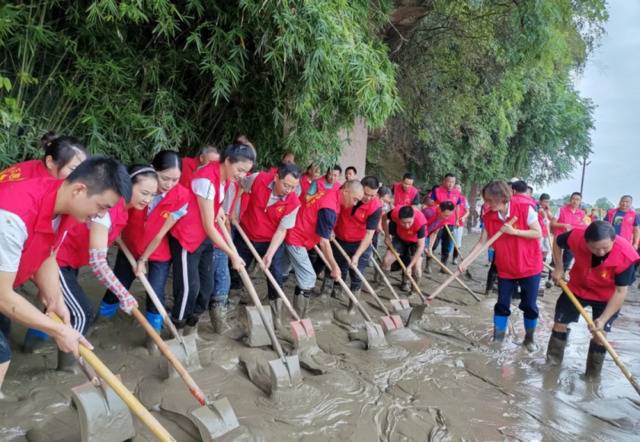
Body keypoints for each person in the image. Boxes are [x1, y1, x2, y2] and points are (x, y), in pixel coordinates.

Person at [0, 156, 131, 399]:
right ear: (80, 190)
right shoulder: (12, 214)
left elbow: (48, 254)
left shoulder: (63, 207)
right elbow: (3, 297)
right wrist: (57, 330)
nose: (99, 216)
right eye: (101, 207)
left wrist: (55, 299)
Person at [50, 165, 157, 367]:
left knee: (55, 305)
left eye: (152, 195)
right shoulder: (108, 209)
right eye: (144, 192)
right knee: (82, 312)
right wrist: (123, 293)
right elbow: (98, 262)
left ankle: (34, 342)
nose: (148, 199)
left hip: (71, 259)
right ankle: (67, 366)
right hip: (57, 259)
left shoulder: (124, 211)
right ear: (127, 186)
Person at [102, 152, 190, 342]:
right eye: (164, 178)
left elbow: (160, 234)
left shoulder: (181, 196)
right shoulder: (135, 188)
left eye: (175, 180)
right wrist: (116, 235)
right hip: (129, 244)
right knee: (118, 283)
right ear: (152, 170)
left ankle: (153, 336)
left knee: (156, 292)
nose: (169, 184)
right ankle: (104, 319)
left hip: (158, 250)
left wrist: (143, 260)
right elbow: (119, 215)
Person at [169, 143, 254, 333]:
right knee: (188, 289)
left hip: (204, 239)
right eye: (239, 170)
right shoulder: (206, 179)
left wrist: (219, 210)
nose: (241, 175)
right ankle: (177, 330)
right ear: (227, 161)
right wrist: (233, 254)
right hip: (187, 239)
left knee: (206, 290)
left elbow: (211, 206)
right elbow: (208, 225)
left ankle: (191, 327)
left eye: (245, 172)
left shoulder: (224, 178)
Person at [547, 221, 639, 378]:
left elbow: (620, 291)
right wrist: (559, 267)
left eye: (605, 248)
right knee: (559, 324)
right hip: (577, 287)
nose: (601, 252)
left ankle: (592, 377)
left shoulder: (626, 255)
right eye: (595, 248)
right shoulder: (576, 236)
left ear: (613, 240)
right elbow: (557, 242)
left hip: (606, 296)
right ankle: (551, 367)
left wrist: (602, 319)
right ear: (586, 241)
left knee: (600, 334)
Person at [460, 181, 542, 350]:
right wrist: (466, 262)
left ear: (503, 198)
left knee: (530, 306)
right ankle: (497, 339)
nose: (486, 204)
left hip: (529, 266)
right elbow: (482, 243)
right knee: (502, 304)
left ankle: (529, 339)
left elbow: (537, 232)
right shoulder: (489, 217)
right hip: (505, 268)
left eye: (490, 201)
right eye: (486, 200)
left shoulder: (525, 208)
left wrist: (515, 232)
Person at [232, 163, 301, 326]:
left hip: (271, 240)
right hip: (246, 234)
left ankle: (276, 314)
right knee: (236, 268)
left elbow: (282, 231)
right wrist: (234, 210)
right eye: (286, 185)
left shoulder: (293, 202)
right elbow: (239, 186)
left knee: (276, 275)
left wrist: (269, 254)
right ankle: (231, 304)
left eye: (293, 187)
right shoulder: (258, 179)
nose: (288, 190)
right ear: (276, 177)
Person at [284, 180, 363, 316]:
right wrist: (334, 266)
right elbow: (324, 243)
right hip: (297, 237)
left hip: (300, 230)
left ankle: (277, 296)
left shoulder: (332, 192)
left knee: (283, 268)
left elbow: (318, 215)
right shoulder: (329, 209)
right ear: (345, 191)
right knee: (309, 277)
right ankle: (298, 316)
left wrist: (327, 230)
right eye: (355, 199)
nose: (355, 204)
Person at [332, 176, 382, 301]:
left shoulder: (375, 206)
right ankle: (336, 294)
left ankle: (352, 305)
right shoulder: (347, 193)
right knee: (339, 268)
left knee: (356, 273)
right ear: (360, 188)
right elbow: (334, 210)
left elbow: (370, 234)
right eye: (366, 194)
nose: (368, 198)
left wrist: (357, 255)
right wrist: (331, 228)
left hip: (360, 243)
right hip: (339, 238)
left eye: (373, 195)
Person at [0, 132, 87, 183]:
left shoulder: (36, 166)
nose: (80, 175)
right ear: (50, 162)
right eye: (73, 169)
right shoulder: (35, 183)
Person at [383, 206, 427, 292]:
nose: (407, 226)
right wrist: (387, 236)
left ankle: (413, 290)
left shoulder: (421, 222)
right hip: (400, 238)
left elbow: (421, 246)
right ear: (398, 219)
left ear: (413, 217)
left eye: (409, 222)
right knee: (386, 260)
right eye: (403, 222)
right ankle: (382, 284)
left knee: (417, 269)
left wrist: (410, 267)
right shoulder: (394, 213)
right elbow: (384, 218)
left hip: (415, 242)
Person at [430, 173, 461, 268]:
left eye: (453, 182)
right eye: (448, 181)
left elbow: (457, 207)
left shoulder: (457, 193)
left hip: (450, 222)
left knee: (447, 244)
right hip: (438, 221)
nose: (450, 184)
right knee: (434, 243)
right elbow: (431, 203)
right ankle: (428, 261)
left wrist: (457, 220)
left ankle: (444, 265)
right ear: (444, 181)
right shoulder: (436, 191)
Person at [551, 192, 585, 271]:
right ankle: (551, 279)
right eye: (573, 199)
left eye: (577, 199)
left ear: (580, 202)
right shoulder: (561, 209)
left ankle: (561, 279)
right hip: (559, 238)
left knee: (567, 260)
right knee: (556, 261)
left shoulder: (581, 213)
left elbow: (581, 226)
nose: (575, 201)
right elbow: (553, 223)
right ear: (570, 200)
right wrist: (564, 225)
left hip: (572, 240)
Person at [421, 201, 455, 273]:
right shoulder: (429, 213)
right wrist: (423, 246)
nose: (447, 217)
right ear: (439, 209)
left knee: (427, 251)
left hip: (426, 235)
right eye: (446, 215)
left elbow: (434, 232)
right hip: (415, 234)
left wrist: (429, 248)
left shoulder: (444, 218)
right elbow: (420, 230)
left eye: (449, 215)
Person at [452, 184, 469, 265]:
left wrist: (464, 217)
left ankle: (454, 258)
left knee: (457, 242)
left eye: (459, 188)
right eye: (455, 188)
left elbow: (467, 211)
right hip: (449, 222)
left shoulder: (463, 199)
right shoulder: (450, 196)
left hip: (459, 223)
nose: (457, 189)